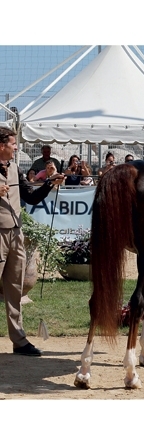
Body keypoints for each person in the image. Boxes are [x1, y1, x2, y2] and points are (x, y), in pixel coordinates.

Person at [0, 127, 64, 356]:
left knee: (15, 288)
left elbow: (30, 196)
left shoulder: (15, 168)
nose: (16, 147)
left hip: (16, 233)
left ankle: (19, 341)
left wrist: (50, 183)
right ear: (1, 146)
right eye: (13, 143)